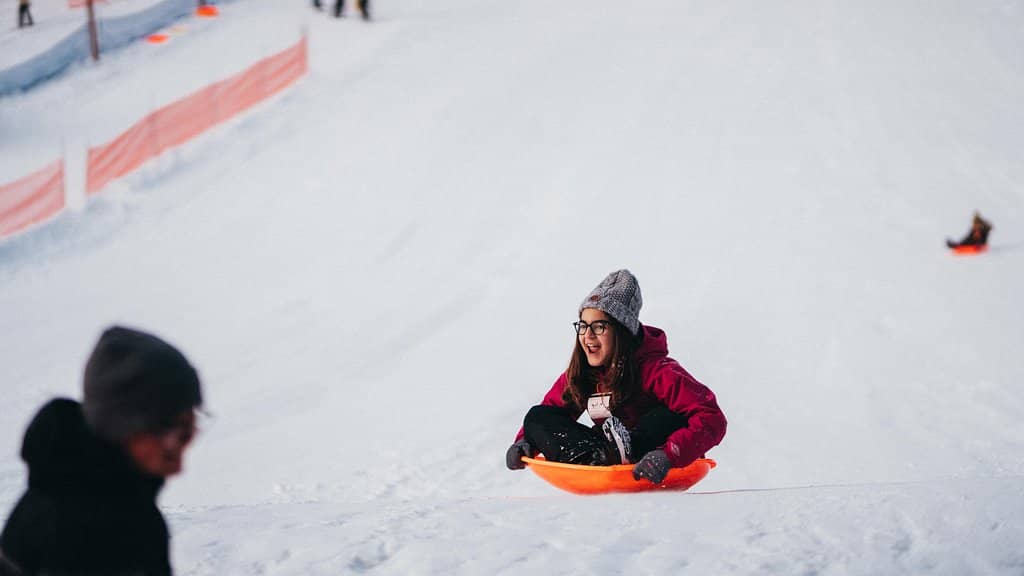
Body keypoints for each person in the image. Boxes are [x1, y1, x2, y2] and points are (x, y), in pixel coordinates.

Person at [0, 326, 203, 576]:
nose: (185, 446)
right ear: (128, 424)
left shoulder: (117, 505)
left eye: (191, 428)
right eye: (179, 430)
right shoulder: (85, 533)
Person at [505, 269, 727, 484]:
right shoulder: (583, 373)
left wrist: (669, 455)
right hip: (606, 451)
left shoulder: (658, 370)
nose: (588, 336)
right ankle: (595, 456)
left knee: (668, 416)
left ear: (622, 331)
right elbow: (553, 409)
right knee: (538, 416)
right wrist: (526, 441)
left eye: (599, 326)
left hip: (652, 452)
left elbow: (712, 417)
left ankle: (626, 451)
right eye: (583, 326)